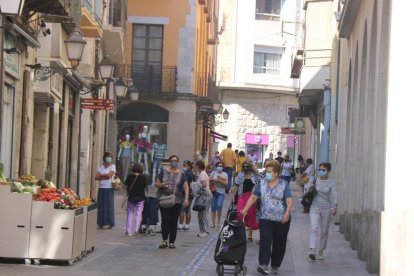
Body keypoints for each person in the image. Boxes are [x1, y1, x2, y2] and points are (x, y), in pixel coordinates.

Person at [241, 160, 293, 275]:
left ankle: (275, 265)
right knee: (265, 240)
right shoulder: (262, 183)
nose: (267, 174)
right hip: (265, 218)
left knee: (279, 243)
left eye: (269, 172)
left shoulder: (284, 184)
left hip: (281, 219)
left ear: (276, 173)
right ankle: (263, 264)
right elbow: (253, 197)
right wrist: (245, 209)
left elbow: (289, 201)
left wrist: (287, 213)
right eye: (266, 171)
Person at [155, 155, 189, 249]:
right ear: (169, 161)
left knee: (174, 221)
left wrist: (186, 199)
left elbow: (186, 188)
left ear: (178, 162)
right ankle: (164, 240)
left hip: (177, 201)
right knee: (165, 220)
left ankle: (172, 242)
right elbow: (156, 184)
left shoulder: (182, 174)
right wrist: (161, 184)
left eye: (176, 160)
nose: (174, 162)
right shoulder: (163, 172)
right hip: (164, 199)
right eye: (172, 160)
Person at [308, 162, 337, 261]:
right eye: (319, 169)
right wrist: (310, 185)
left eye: (323, 170)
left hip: (326, 208)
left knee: (324, 231)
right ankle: (312, 250)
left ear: (328, 171)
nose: (321, 171)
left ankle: (321, 251)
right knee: (314, 228)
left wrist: (334, 206)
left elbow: (334, 195)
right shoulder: (315, 180)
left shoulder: (331, 182)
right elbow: (308, 189)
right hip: (314, 207)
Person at [231, 160, 260, 242]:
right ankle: (241, 233)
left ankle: (250, 235)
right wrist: (233, 196)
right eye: (244, 166)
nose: (246, 168)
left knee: (251, 216)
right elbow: (236, 186)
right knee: (240, 214)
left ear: (250, 167)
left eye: (247, 166)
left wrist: (257, 198)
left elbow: (258, 188)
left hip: (251, 197)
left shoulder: (255, 176)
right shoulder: (240, 175)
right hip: (242, 197)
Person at [124, 163, 148, 236]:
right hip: (140, 198)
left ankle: (128, 231)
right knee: (138, 214)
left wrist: (128, 191)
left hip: (131, 197)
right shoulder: (143, 177)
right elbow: (145, 186)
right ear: (141, 169)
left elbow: (125, 186)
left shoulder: (129, 176)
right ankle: (137, 230)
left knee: (130, 214)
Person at [95, 151, 116, 229]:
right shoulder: (101, 167)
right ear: (104, 158)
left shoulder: (113, 166)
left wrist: (102, 176)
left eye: (110, 157)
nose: (109, 158)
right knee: (101, 206)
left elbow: (109, 176)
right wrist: (104, 176)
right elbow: (96, 177)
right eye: (108, 156)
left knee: (109, 206)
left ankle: (110, 223)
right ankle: (101, 223)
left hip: (109, 188)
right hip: (101, 188)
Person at [194, 160, 211, 237]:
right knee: (200, 214)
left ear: (198, 166)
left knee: (203, 213)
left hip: (204, 194)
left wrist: (196, 185)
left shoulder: (202, 174)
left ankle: (205, 231)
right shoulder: (202, 173)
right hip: (203, 194)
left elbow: (204, 185)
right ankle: (202, 230)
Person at [209, 161, 228, 228]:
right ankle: (213, 223)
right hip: (213, 192)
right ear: (216, 166)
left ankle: (218, 222)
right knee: (213, 208)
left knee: (219, 206)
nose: (219, 167)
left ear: (223, 167)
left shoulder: (225, 174)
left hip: (221, 193)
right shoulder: (213, 173)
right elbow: (208, 179)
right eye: (218, 166)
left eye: (221, 166)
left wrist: (219, 180)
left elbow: (226, 183)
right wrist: (212, 179)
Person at [178, 160, 196, 230]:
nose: (183, 167)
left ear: (188, 166)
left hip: (184, 193)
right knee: (188, 210)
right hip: (191, 194)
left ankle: (180, 224)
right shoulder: (192, 174)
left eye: (184, 165)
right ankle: (187, 225)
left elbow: (183, 184)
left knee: (182, 209)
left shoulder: (185, 174)